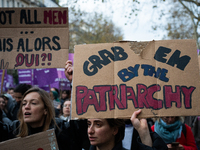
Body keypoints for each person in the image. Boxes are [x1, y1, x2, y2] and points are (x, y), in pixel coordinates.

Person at [65, 60, 168, 150]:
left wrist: (144, 133)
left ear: (114, 130)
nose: (90, 131)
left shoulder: (142, 125)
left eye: (98, 124)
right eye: (89, 124)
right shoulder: (88, 136)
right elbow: (73, 131)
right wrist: (75, 82)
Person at [0, 87, 90, 150]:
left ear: (45, 110)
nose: (26, 107)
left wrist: (73, 81)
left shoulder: (62, 129)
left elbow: (85, 122)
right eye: (24, 104)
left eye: (33, 103)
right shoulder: (14, 129)